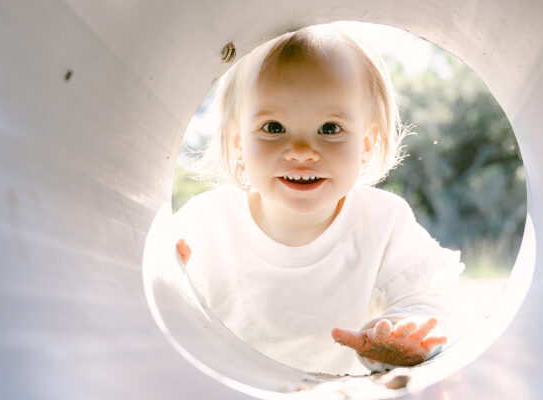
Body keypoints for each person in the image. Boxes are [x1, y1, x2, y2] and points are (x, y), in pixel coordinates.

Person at [173, 22, 464, 375]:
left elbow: (430, 299)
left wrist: (402, 331)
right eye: (273, 127)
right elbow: (169, 316)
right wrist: (172, 281)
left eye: (329, 129)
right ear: (237, 143)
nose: (301, 151)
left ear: (366, 145)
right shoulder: (207, 223)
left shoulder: (382, 221)